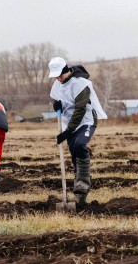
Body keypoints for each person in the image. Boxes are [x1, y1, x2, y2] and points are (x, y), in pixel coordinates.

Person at [48, 57, 107, 205]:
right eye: (55, 76)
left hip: (85, 120)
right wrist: (56, 106)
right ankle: (79, 191)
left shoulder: (81, 84)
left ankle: (83, 184)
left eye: (60, 75)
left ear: (66, 70)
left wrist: (68, 131)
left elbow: (80, 110)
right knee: (75, 151)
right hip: (69, 123)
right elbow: (58, 99)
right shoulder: (57, 84)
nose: (58, 78)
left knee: (80, 144)